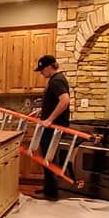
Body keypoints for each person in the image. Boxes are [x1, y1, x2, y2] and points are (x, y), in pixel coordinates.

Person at [31, 54, 71, 200]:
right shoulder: (56, 79)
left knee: (49, 158)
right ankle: (48, 190)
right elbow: (55, 101)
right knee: (47, 157)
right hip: (53, 125)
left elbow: (64, 100)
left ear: (49, 67)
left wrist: (49, 119)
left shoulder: (56, 81)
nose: (41, 72)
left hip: (54, 127)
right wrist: (42, 110)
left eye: (42, 69)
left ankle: (51, 193)